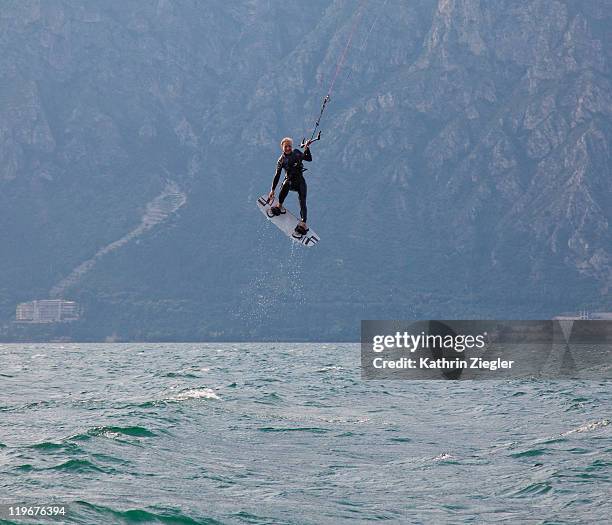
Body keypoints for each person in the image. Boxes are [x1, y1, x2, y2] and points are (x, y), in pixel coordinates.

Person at [268, 136, 313, 235]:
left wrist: (307, 148)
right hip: (290, 182)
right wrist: (272, 190)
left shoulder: (296, 153)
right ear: (282, 147)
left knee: (302, 200)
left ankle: (303, 223)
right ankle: (279, 206)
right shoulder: (281, 160)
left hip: (300, 181)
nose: (288, 148)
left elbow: (309, 159)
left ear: (292, 146)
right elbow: (277, 175)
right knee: (286, 183)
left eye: (289, 146)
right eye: (286, 147)